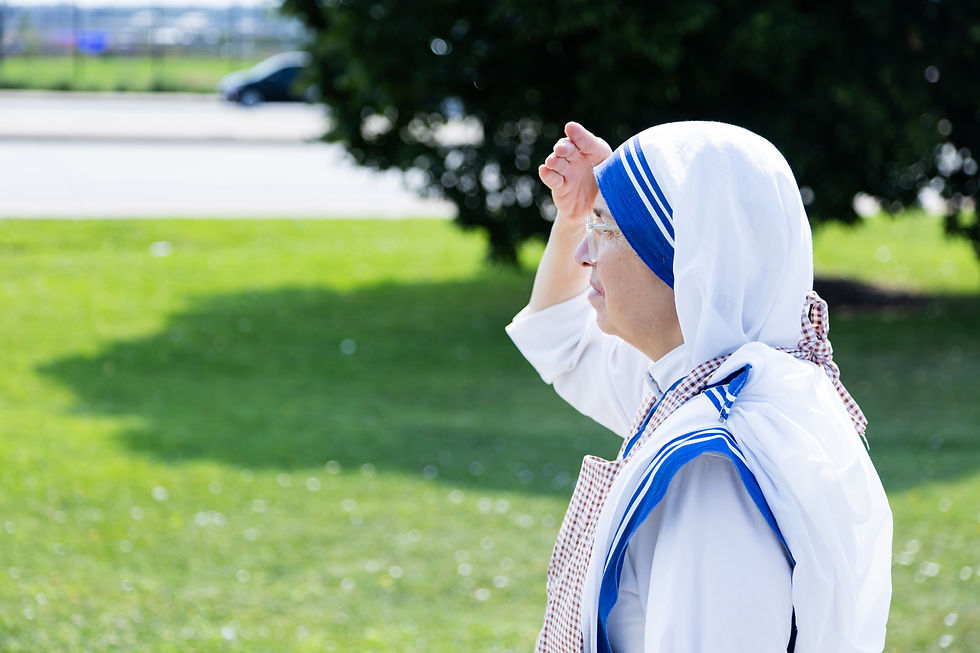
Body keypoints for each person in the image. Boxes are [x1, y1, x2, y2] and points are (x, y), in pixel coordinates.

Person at [505, 121, 892, 653]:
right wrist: (580, 215)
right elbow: (562, 340)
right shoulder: (735, 385)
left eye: (608, 231)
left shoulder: (712, 471)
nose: (583, 254)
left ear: (686, 260)